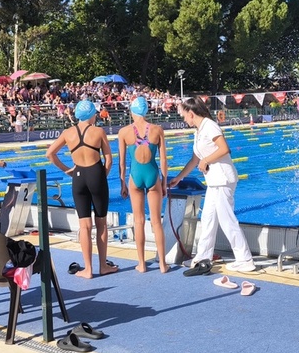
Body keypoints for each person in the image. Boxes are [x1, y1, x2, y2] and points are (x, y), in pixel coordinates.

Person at [168, 96, 255, 274]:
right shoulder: (198, 131)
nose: (184, 119)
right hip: (215, 182)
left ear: (191, 113)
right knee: (207, 219)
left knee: (227, 220)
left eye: (184, 115)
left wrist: (206, 160)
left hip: (223, 180)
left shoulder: (210, 126)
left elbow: (224, 149)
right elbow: (195, 159)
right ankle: (202, 257)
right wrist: (179, 177)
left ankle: (245, 259)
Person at [46, 100, 117, 279]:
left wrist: (67, 170)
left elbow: (50, 154)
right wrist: (101, 177)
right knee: (101, 223)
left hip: (78, 177)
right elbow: (109, 160)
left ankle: (87, 269)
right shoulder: (98, 131)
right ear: (92, 114)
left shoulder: (68, 133)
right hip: (96, 175)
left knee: (84, 226)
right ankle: (103, 266)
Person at [117, 96, 169, 273]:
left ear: (132, 111)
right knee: (156, 222)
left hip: (135, 177)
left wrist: (123, 183)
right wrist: (164, 183)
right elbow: (163, 160)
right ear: (147, 111)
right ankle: (162, 264)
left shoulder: (124, 132)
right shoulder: (157, 130)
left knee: (138, 221)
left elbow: (122, 163)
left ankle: (142, 264)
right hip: (153, 175)